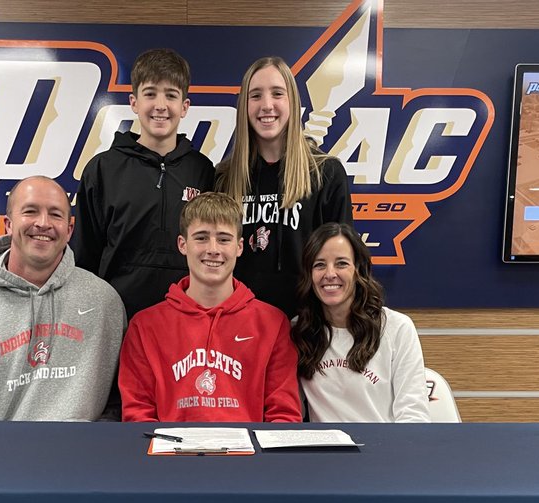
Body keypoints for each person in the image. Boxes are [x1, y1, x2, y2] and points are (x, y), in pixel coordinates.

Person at [0, 176, 126, 421]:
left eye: (56, 214)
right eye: (30, 211)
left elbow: (119, 403)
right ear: (8, 224)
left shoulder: (104, 302)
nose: (43, 223)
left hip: (81, 455)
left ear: (69, 230)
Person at [119, 192, 301, 423]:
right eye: (201, 238)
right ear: (182, 244)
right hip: (170, 457)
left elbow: (283, 417)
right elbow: (138, 417)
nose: (213, 249)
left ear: (240, 246)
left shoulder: (273, 324)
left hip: (248, 458)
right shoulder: (145, 326)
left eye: (224, 239)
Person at [72, 48, 215, 320]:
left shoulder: (203, 170)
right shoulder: (102, 169)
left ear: (184, 107)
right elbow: (84, 258)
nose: (160, 105)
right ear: (134, 102)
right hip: (116, 318)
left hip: (187, 318)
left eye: (171, 95)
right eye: (150, 93)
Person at [216, 56, 353, 317]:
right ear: (244, 105)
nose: (267, 105)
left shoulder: (326, 172)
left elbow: (342, 262)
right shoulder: (225, 177)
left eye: (277, 93)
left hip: (306, 326)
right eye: (255, 96)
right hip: (240, 324)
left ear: (292, 101)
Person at [292, 222, 430, 423]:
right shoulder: (298, 330)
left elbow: (414, 416)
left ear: (359, 270)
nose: (330, 274)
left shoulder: (397, 328)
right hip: (324, 452)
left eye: (341, 263)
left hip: (385, 451)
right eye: (319, 264)